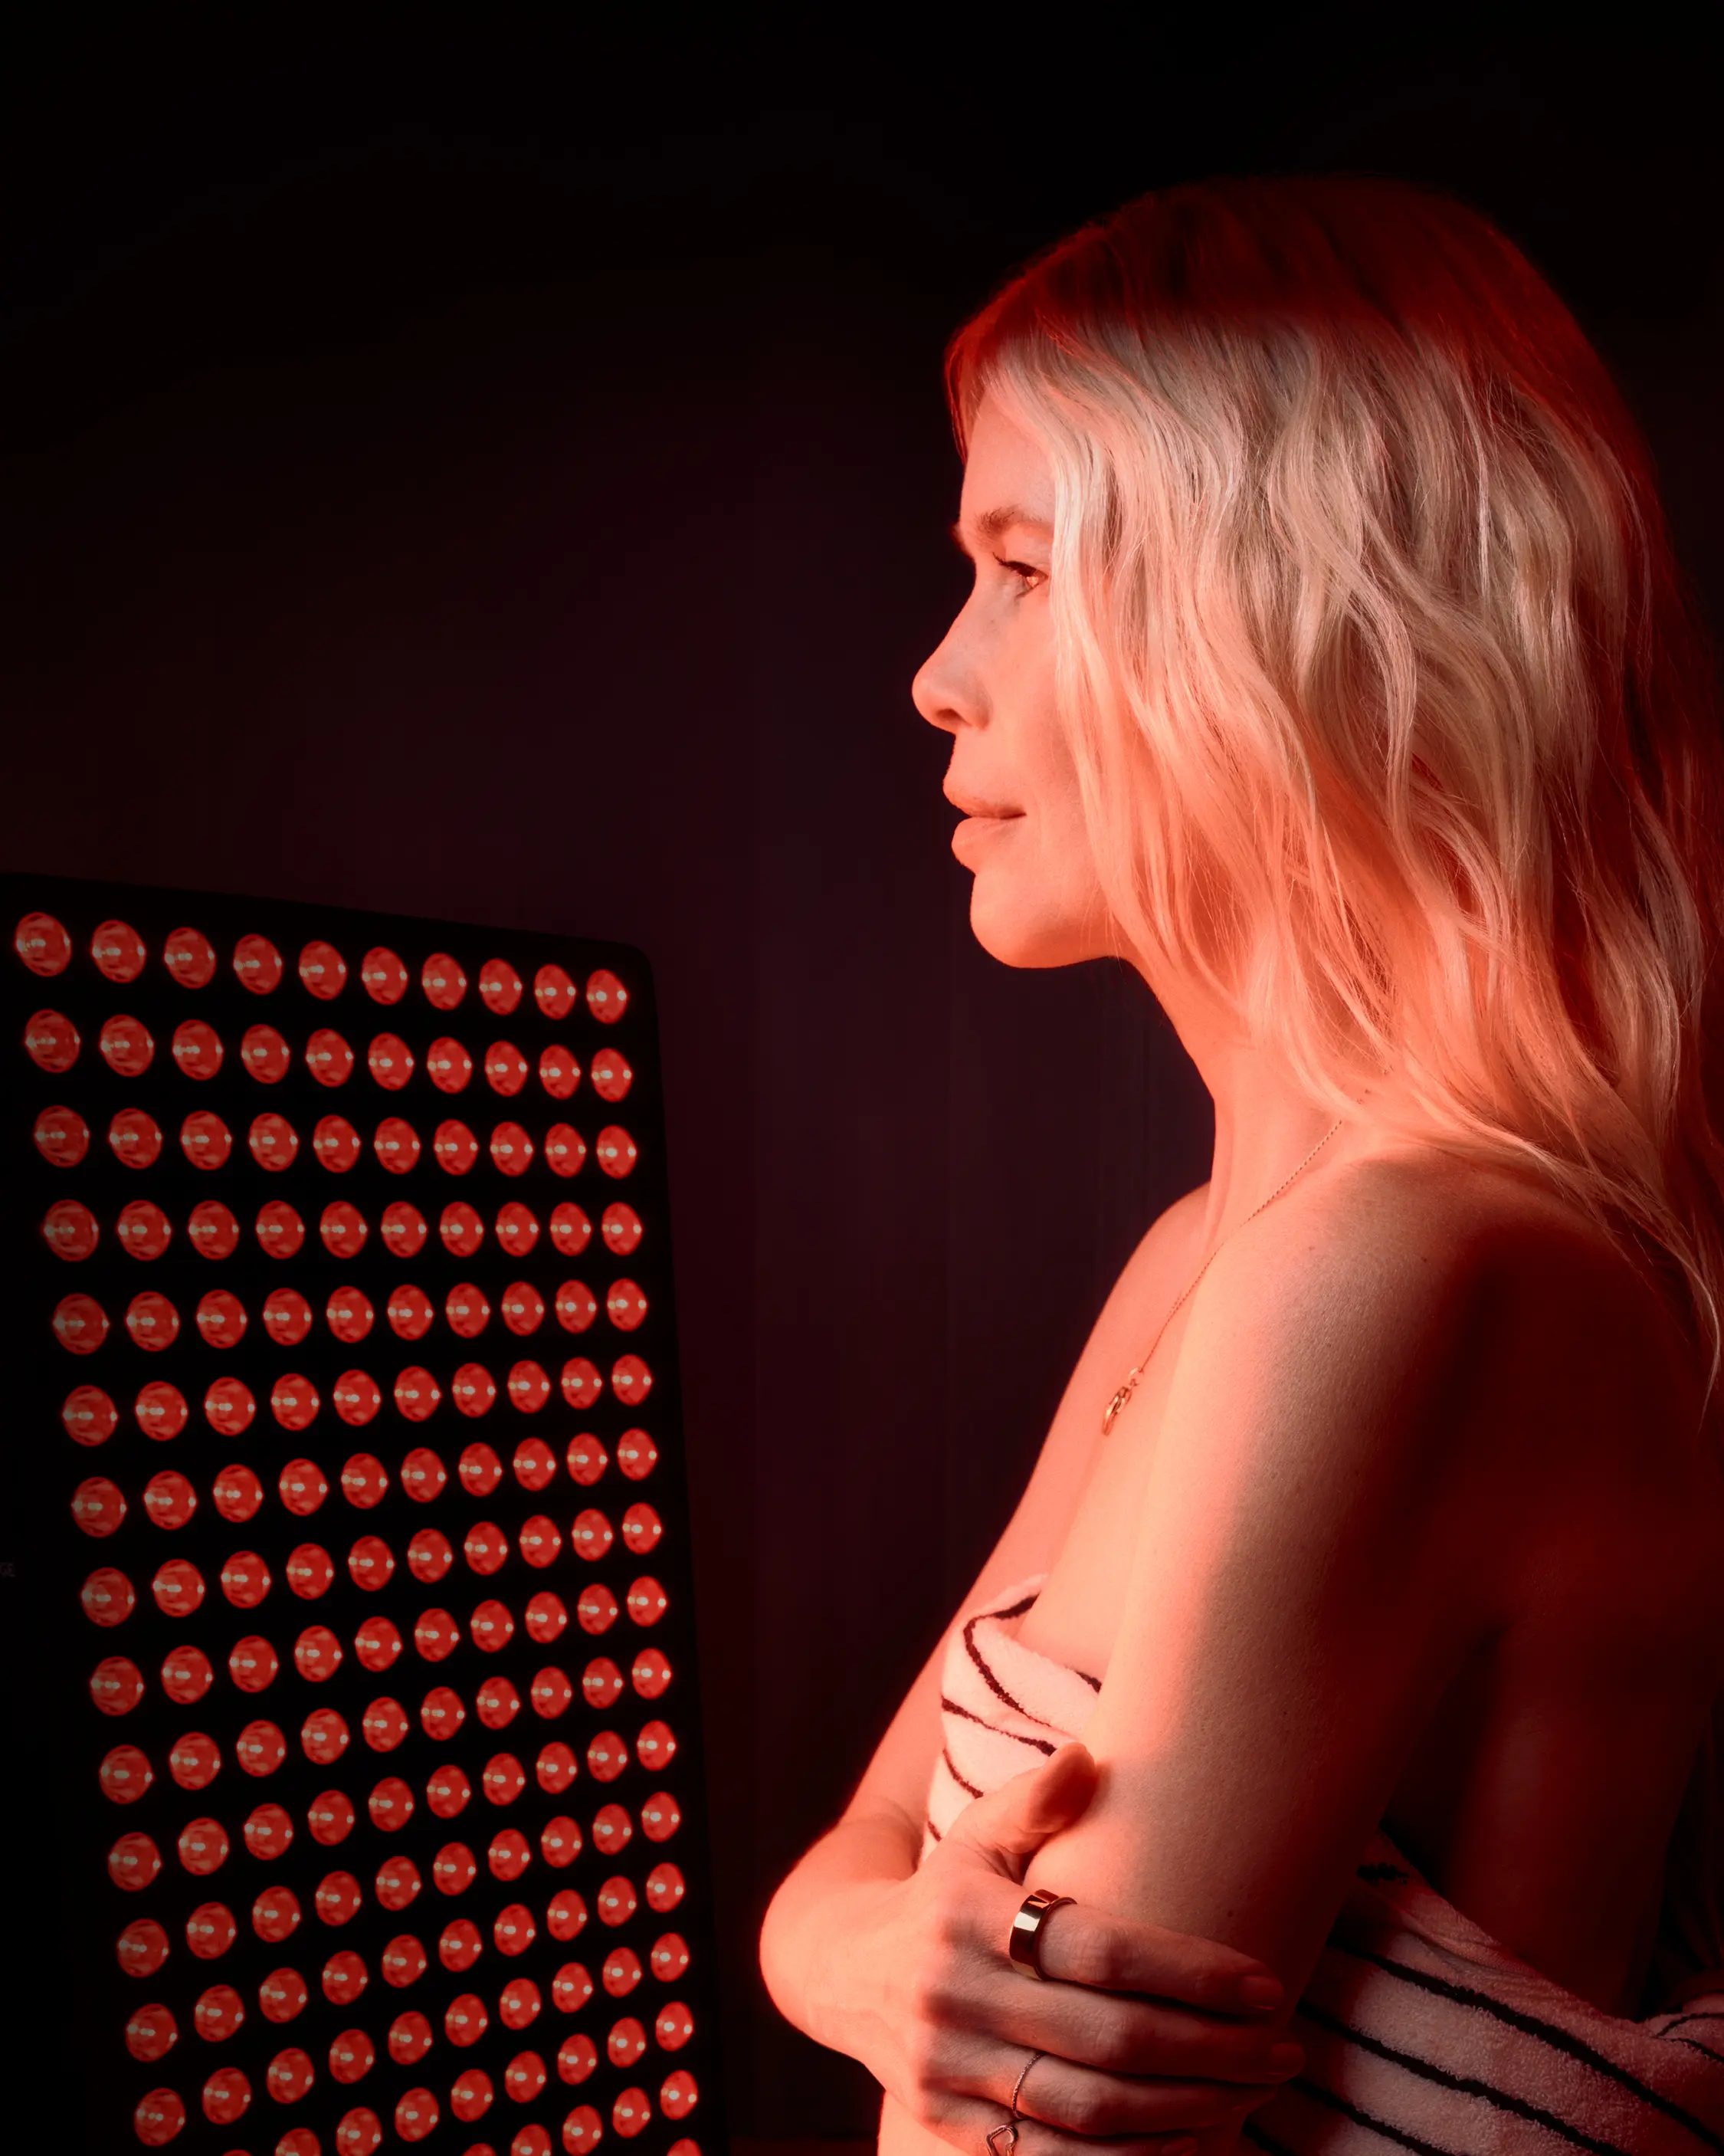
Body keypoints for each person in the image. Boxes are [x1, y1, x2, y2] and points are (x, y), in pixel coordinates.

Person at [758, 176, 1724, 2154]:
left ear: (1279, 618)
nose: (942, 673)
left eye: (1023, 568)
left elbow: (1021, 2141)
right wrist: (878, 1965)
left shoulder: (1414, 1262)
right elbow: (846, 1870)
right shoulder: (1206, 1254)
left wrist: (921, 2000)